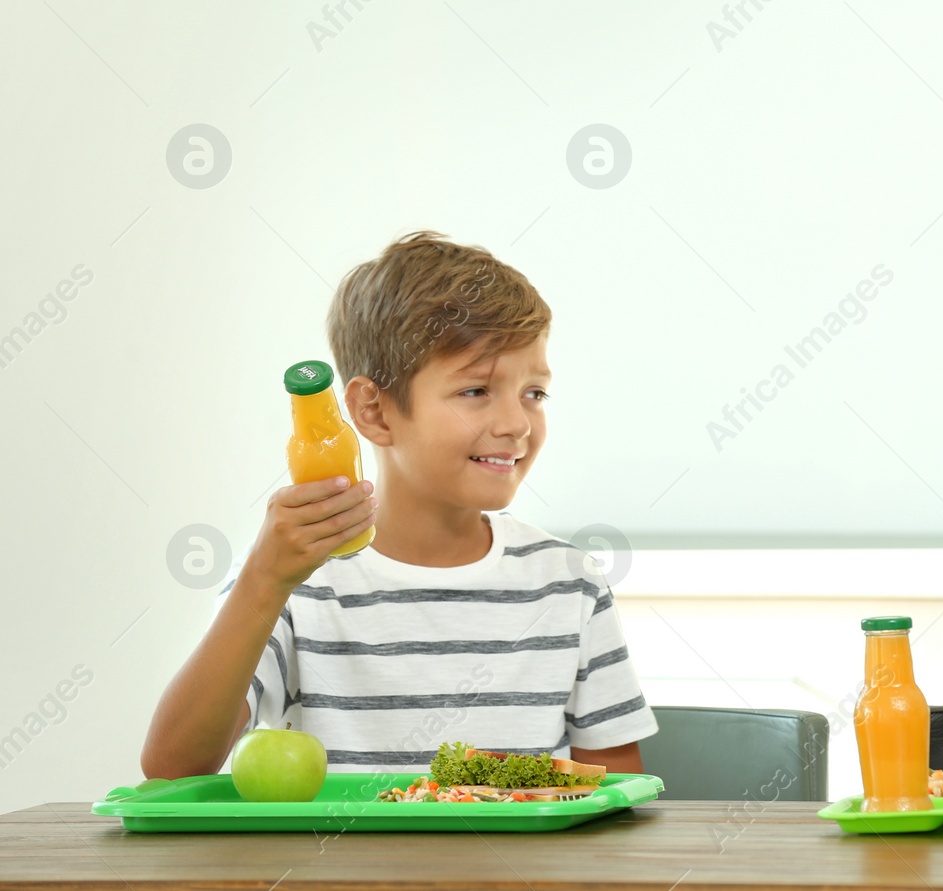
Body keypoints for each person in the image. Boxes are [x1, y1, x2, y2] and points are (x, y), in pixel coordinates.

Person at [142, 230, 656, 778]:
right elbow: (173, 767)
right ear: (375, 411)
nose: (516, 424)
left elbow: (617, 794)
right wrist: (263, 581)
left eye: (534, 393)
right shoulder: (296, 579)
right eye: (476, 391)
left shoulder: (569, 583)